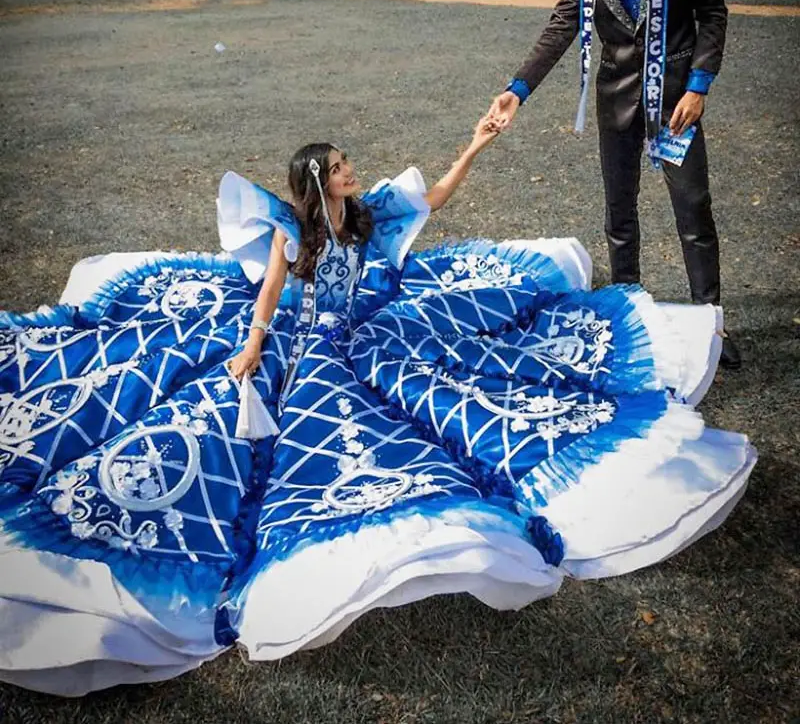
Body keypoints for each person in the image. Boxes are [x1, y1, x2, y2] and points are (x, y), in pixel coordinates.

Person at [0, 118, 755, 695]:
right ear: (317, 181)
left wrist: (475, 144)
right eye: (339, 168)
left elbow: (433, 197)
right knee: (236, 420)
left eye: (346, 165)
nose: (351, 170)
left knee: (469, 368)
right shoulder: (292, 231)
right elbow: (269, 292)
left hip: (361, 327)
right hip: (300, 336)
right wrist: (257, 343)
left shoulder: (365, 213)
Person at [487, 0, 741, 369]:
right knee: (619, 216)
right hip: (615, 103)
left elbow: (712, 16)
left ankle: (710, 321)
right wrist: (519, 88)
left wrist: (698, 86)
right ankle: (628, 312)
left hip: (676, 105)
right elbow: (561, 29)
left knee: (694, 210)